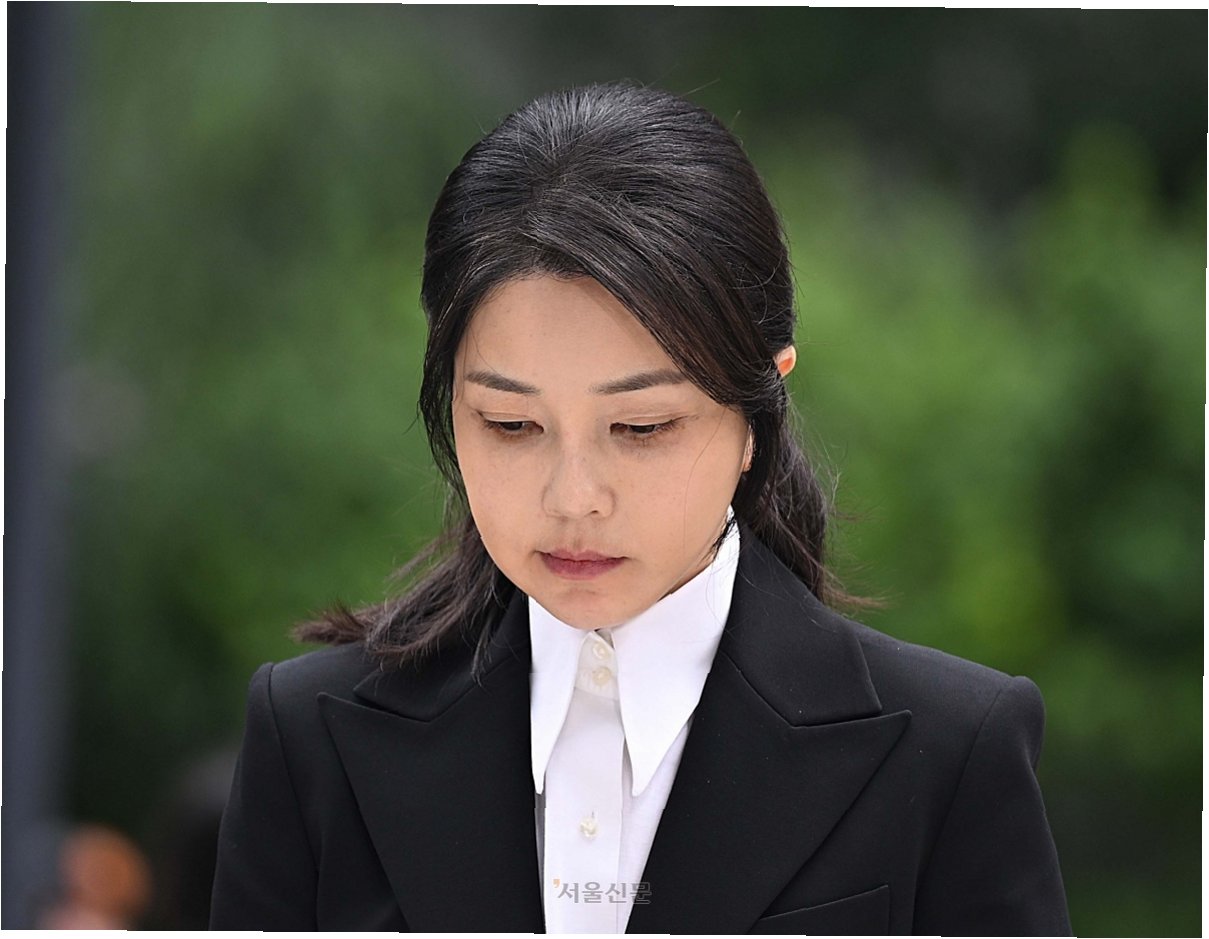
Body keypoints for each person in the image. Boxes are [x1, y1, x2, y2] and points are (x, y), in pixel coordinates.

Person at [209, 82, 1070, 934]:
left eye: (642, 426)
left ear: (760, 407)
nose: (573, 497)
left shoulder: (948, 753)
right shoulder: (311, 739)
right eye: (510, 424)